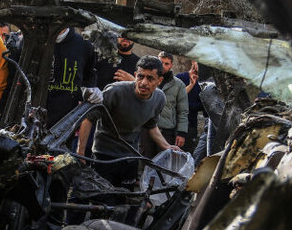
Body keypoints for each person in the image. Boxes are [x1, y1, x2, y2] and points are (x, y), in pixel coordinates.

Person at [77, 56, 180, 188]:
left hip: (130, 157)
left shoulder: (159, 98)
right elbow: (89, 119)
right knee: (103, 200)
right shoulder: (115, 91)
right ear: (135, 75)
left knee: (125, 202)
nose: (143, 83)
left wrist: (166, 146)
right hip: (104, 155)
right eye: (140, 77)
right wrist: (80, 152)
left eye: (150, 78)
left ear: (159, 81)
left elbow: (151, 126)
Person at [46, 27, 101, 127]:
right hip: (30, 118)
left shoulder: (84, 45)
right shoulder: (34, 41)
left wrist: (91, 90)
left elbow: (90, 76)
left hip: (64, 124)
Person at [141, 52, 189, 158]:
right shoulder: (146, 81)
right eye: (161, 62)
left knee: (165, 162)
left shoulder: (178, 85)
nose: (163, 66)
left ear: (171, 65)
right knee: (145, 161)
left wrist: (181, 133)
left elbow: (183, 110)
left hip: (167, 131)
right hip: (146, 129)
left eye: (166, 63)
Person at [176, 60, 201, 153]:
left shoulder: (203, 82)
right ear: (193, 62)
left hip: (191, 125)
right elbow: (174, 100)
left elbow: (203, 105)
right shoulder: (180, 78)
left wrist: (184, 106)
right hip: (175, 124)